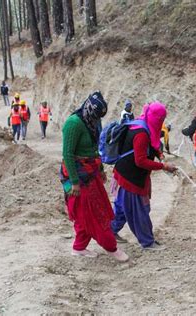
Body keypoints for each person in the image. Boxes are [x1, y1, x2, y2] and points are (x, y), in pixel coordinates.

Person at [60, 91, 128, 262]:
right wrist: (74, 182)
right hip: (78, 176)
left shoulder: (93, 121)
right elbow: (68, 154)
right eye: (96, 116)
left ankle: (79, 247)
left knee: (90, 212)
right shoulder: (73, 124)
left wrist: (101, 169)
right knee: (92, 213)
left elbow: (95, 148)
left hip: (91, 171)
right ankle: (111, 247)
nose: (97, 120)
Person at [111, 102, 177, 249]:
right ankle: (147, 242)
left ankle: (111, 231)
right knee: (140, 210)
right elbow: (140, 161)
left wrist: (159, 154)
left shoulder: (140, 124)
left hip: (123, 172)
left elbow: (152, 144)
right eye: (160, 119)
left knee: (122, 206)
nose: (160, 123)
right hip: (132, 178)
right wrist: (164, 166)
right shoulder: (141, 133)